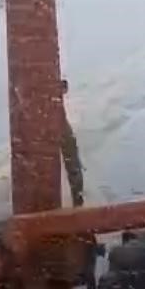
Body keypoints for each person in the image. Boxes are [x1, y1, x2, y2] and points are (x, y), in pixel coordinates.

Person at [59, 79, 85, 207]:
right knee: (73, 162)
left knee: (72, 161)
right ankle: (78, 198)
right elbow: (64, 85)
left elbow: (64, 85)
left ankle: (78, 198)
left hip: (53, 121)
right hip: (57, 122)